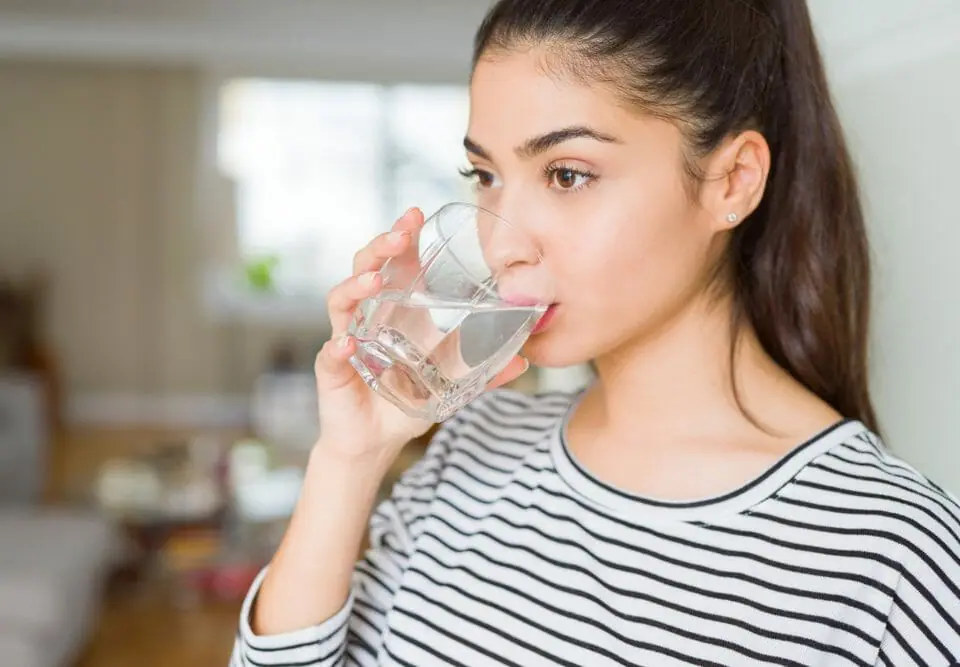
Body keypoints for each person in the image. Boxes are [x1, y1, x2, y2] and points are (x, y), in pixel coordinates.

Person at [230, 0, 960, 664]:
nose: (503, 241)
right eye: (485, 176)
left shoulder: (892, 559)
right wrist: (349, 459)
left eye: (568, 174)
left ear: (731, 181)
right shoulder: (472, 444)